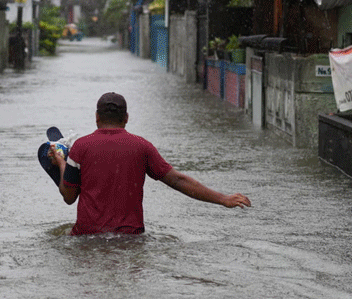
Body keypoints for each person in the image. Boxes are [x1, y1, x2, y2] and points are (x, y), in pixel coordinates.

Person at [47, 92, 251, 235]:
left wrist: (61, 163)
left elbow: (69, 196)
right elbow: (178, 180)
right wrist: (223, 199)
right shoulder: (142, 147)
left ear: (97, 117)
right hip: (131, 238)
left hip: (87, 238)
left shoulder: (80, 147)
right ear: (126, 118)